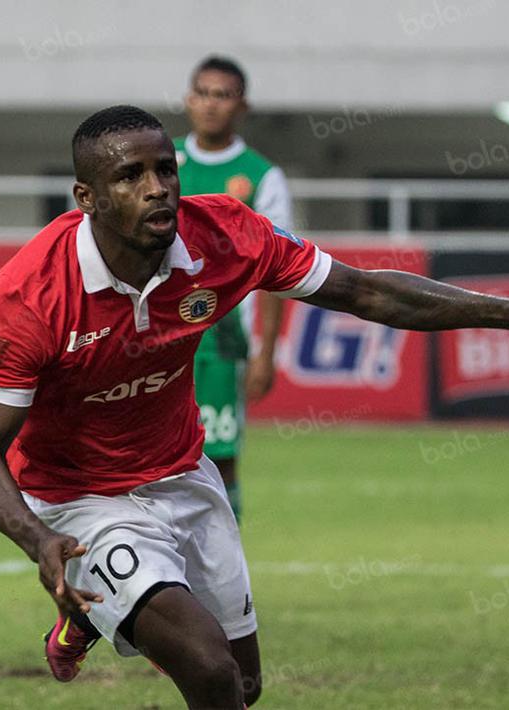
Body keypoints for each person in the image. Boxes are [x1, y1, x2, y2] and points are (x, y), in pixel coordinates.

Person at [0, 104, 509, 708]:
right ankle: (89, 603)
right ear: (88, 198)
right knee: (208, 670)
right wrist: (39, 539)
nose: (158, 187)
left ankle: (83, 616)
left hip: (184, 475)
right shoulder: (30, 294)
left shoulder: (225, 237)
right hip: (78, 502)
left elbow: (367, 294)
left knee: (245, 685)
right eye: (131, 175)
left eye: (165, 169)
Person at [175, 55, 289, 522]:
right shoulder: (164, 163)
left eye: (222, 95)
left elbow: (279, 270)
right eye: (202, 93)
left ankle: (224, 575)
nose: (210, 104)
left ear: (242, 105)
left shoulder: (262, 177)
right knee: (152, 459)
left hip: (223, 343)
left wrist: (265, 353)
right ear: (188, 100)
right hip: (158, 339)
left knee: (219, 457)